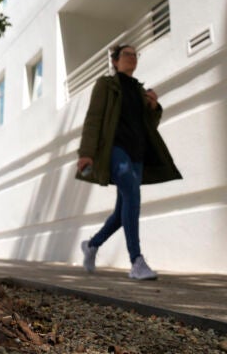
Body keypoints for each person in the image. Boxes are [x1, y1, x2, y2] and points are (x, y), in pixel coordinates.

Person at [76, 44, 182, 280]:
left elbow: (148, 126)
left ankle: (91, 245)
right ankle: (136, 261)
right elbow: (93, 118)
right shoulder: (106, 85)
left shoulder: (139, 90)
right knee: (132, 196)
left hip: (138, 153)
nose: (132, 58)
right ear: (115, 61)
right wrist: (86, 153)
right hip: (115, 150)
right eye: (127, 54)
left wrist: (154, 106)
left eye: (135, 55)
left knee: (122, 211)